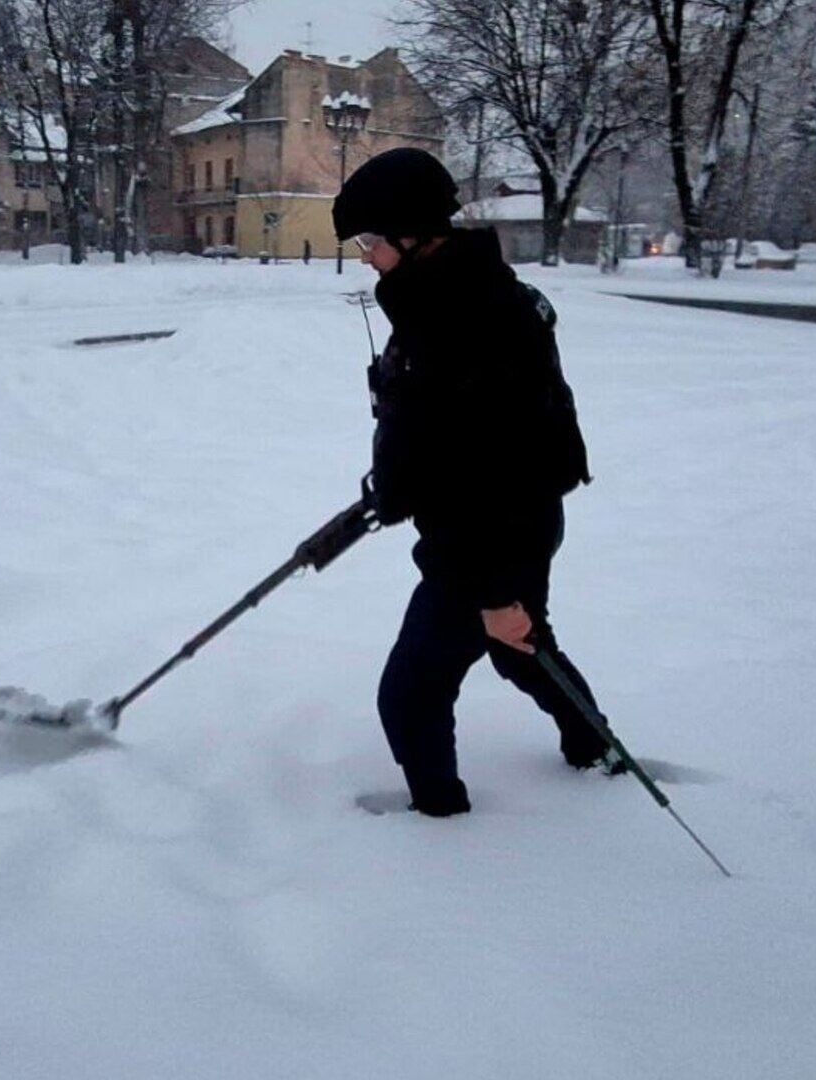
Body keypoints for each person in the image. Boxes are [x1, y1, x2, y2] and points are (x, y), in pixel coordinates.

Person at [334, 148, 613, 818]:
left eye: (371, 241)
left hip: (491, 536)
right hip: (499, 527)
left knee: (411, 692)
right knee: (518, 649)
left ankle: (441, 825)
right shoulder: (443, 300)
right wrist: (395, 483)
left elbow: (499, 463)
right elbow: (443, 436)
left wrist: (495, 589)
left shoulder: (472, 319)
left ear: (414, 234)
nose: (366, 256)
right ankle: (594, 748)